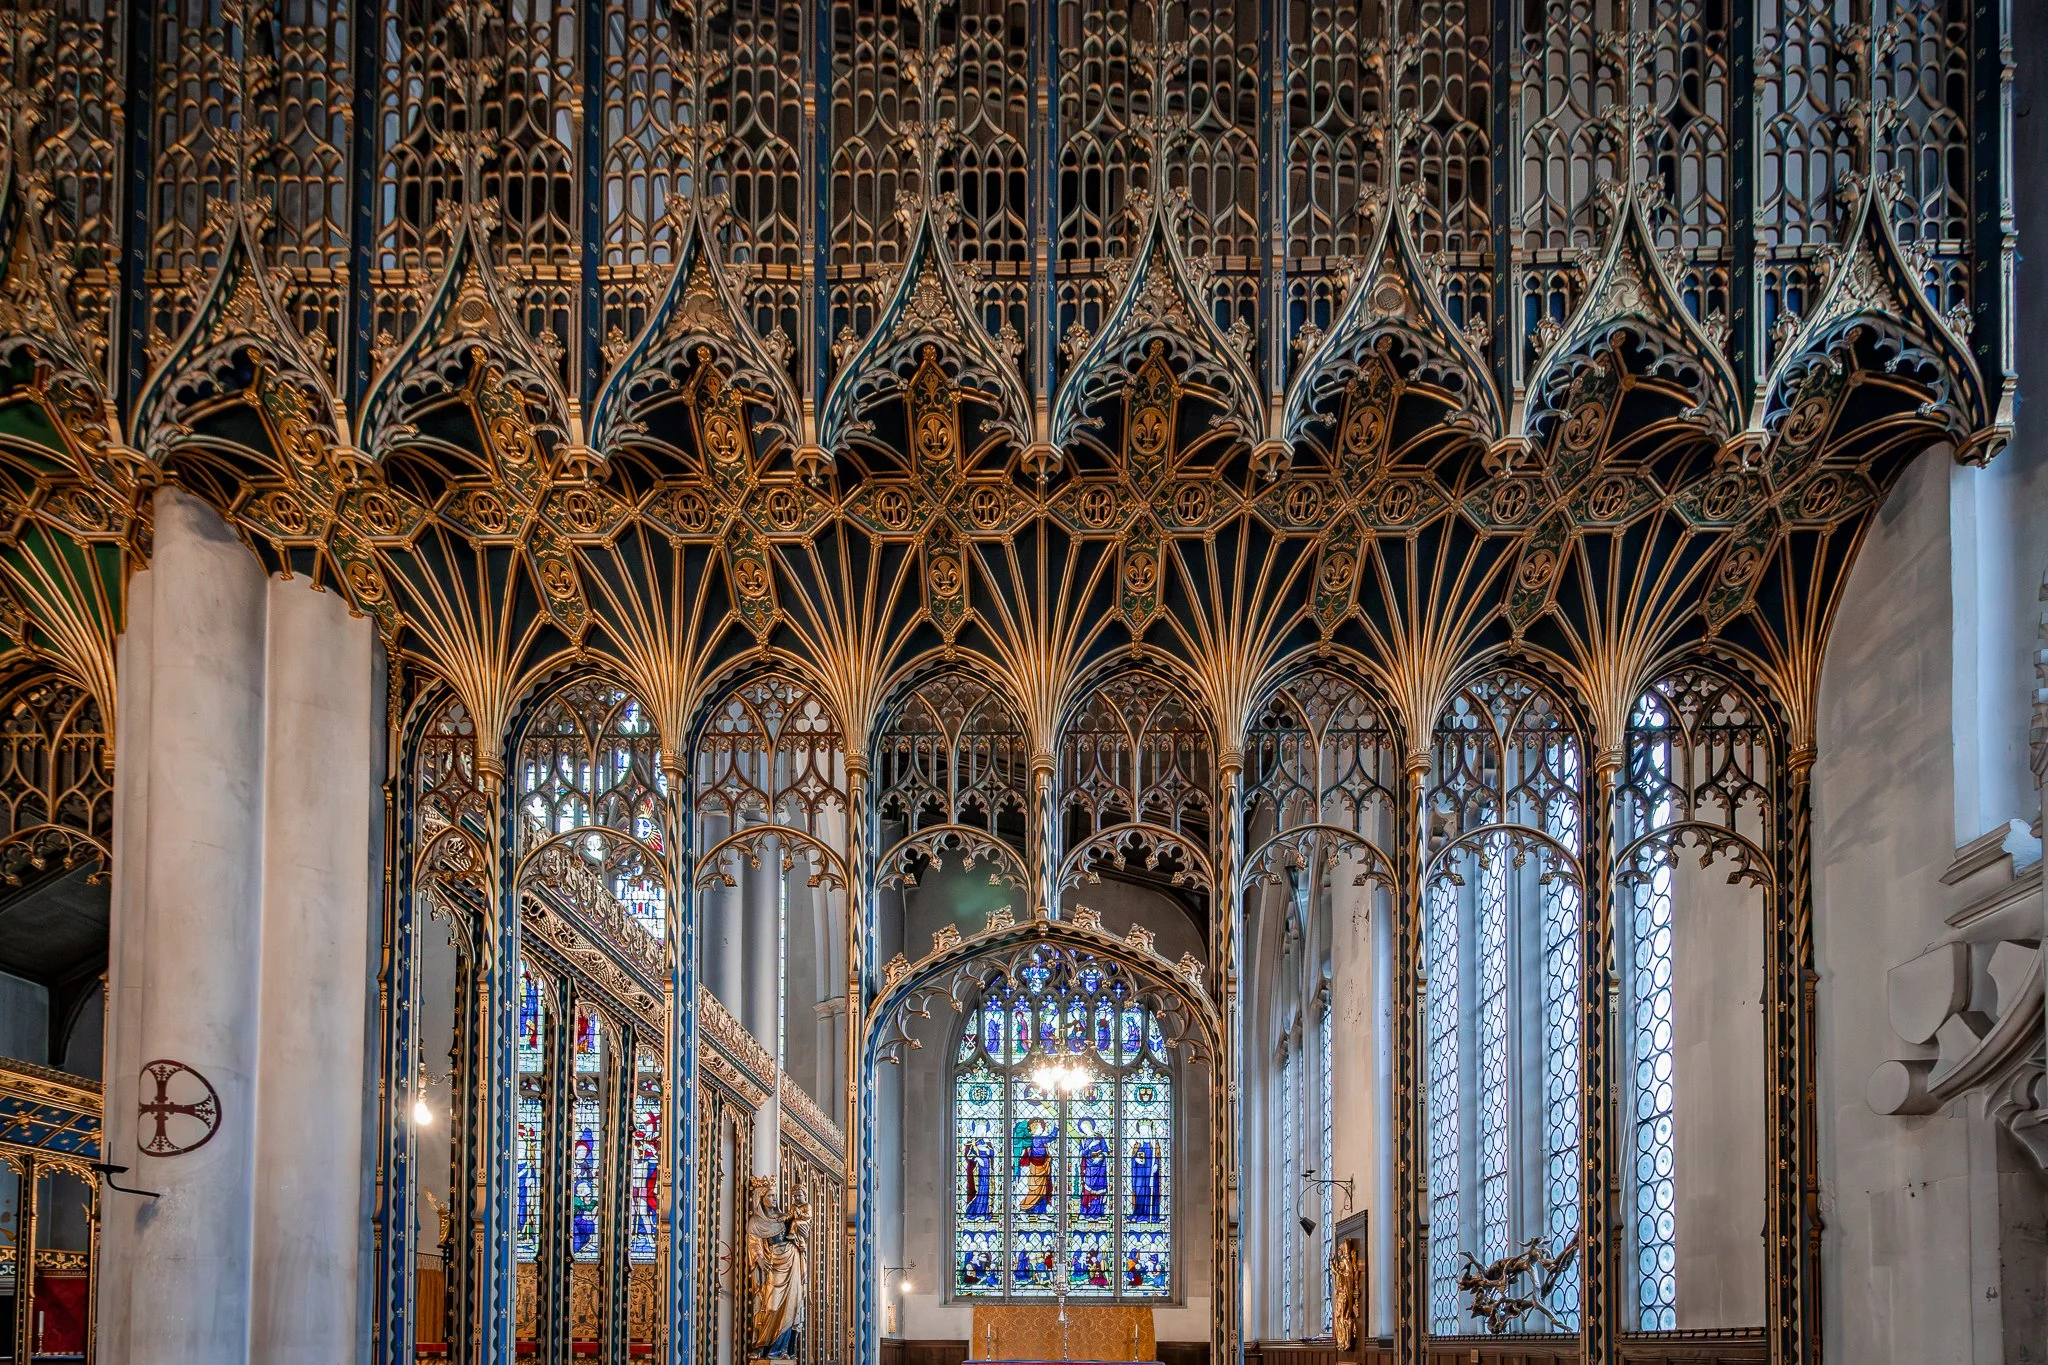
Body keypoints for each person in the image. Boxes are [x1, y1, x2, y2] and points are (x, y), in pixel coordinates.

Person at [746, 1176, 810, 1359]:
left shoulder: (785, 1217)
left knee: (792, 1306)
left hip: (792, 1261)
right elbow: (754, 1243)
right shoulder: (756, 1222)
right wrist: (758, 1258)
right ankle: (763, 1346)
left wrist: (803, 1233)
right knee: (772, 1306)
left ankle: (782, 1350)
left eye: (776, 1196)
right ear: (761, 1198)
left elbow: (802, 1231)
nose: (775, 1199)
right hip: (773, 1263)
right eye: (771, 1196)